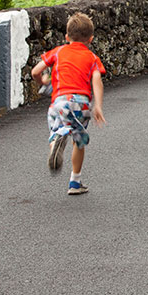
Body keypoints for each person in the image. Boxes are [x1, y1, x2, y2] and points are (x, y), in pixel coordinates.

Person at [30, 12, 106, 196]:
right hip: (81, 104)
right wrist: (98, 105)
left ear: (66, 37)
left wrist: (44, 81)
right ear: (91, 39)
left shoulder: (58, 51)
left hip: (60, 102)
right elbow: (97, 80)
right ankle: (75, 182)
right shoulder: (92, 58)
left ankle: (57, 137)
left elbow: (35, 72)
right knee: (79, 142)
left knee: (57, 129)